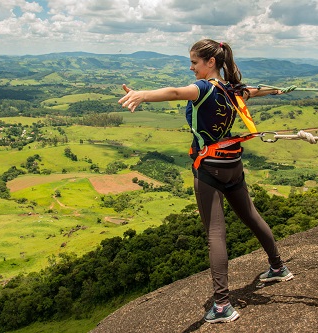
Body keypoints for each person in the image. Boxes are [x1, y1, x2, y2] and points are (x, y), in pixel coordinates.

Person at [118, 39, 295, 324]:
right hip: (232, 164)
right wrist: (279, 89)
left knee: (216, 234)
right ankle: (278, 267)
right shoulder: (232, 89)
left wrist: (143, 95)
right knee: (250, 216)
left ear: (210, 62)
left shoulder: (203, 88)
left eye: (194, 62)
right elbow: (254, 91)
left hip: (209, 168)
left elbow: (176, 92)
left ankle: (223, 305)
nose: (191, 68)